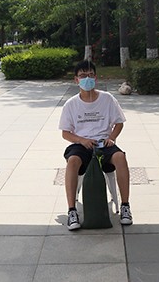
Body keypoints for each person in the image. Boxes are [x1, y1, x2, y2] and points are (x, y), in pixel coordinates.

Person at [59, 60, 133, 230]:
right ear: (76, 80)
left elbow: (119, 123)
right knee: (72, 161)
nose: (87, 79)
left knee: (120, 157)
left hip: (104, 143)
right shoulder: (71, 104)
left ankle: (125, 206)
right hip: (81, 144)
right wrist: (81, 140)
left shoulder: (107, 99)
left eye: (90, 75)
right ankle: (72, 211)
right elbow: (65, 133)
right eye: (82, 76)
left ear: (96, 78)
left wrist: (112, 137)